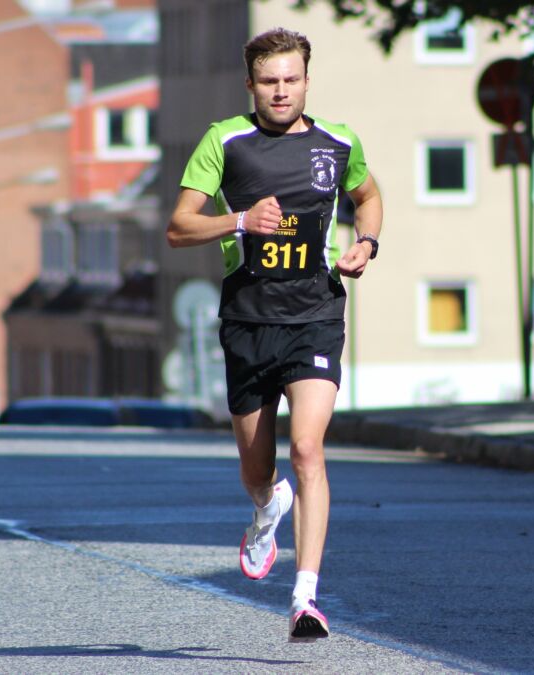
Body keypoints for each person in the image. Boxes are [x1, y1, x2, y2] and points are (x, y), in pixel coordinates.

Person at [166, 26, 383, 643]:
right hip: (248, 320)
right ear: (251, 85)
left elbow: (368, 196)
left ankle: (305, 598)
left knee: (308, 449)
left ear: (307, 81)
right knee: (256, 465)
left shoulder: (339, 142)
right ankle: (266, 507)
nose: (281, 91)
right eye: (269, 81)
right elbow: (179, 227)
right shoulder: (224, 140)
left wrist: (366, 242)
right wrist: (239, 219)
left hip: (316, 314)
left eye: (291, 79)